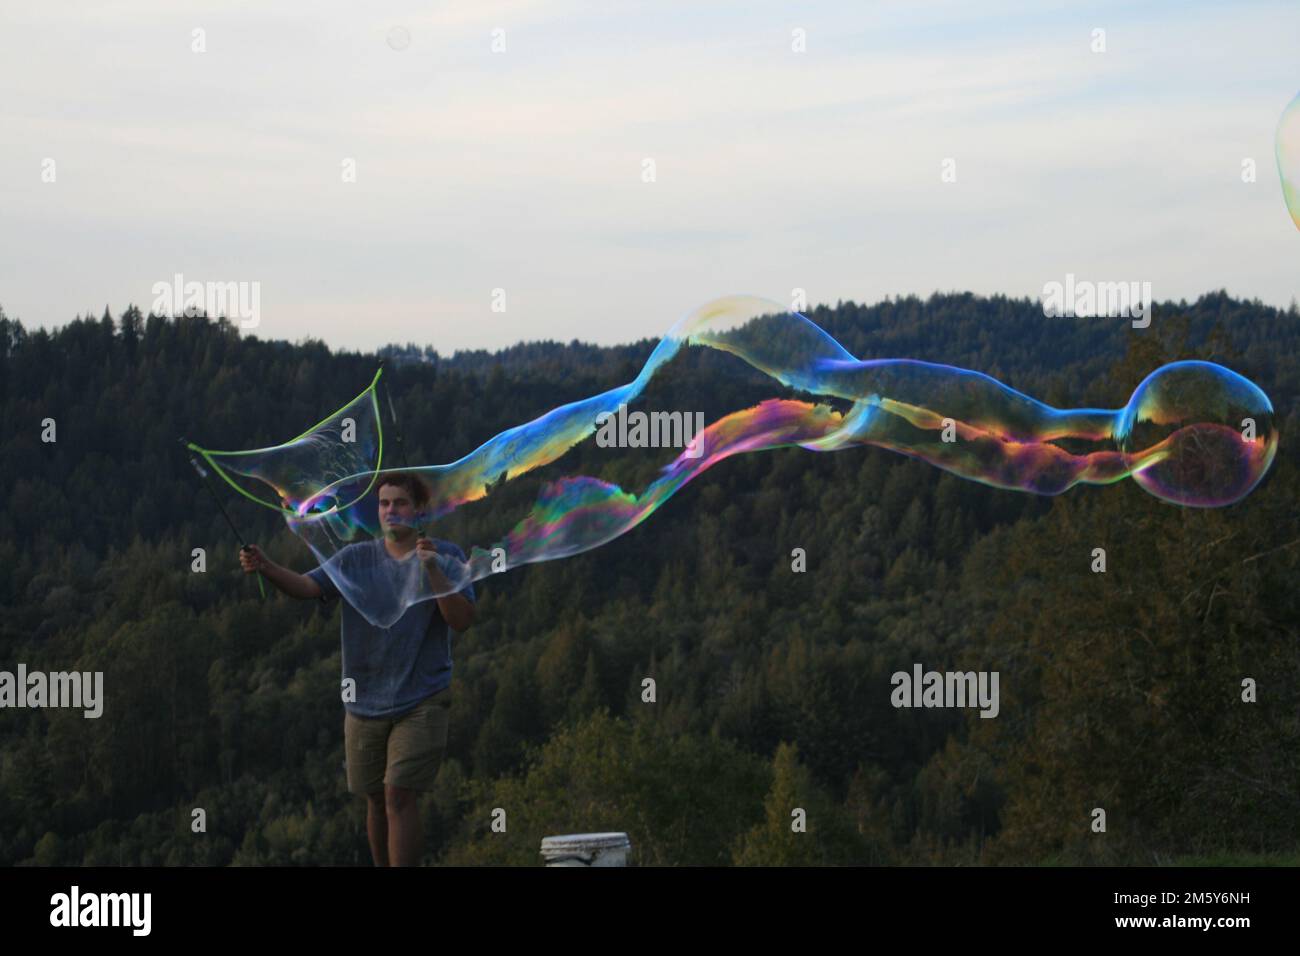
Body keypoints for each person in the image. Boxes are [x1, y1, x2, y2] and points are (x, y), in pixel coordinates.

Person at [238, 472, 476, 866]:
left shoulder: (445, 555)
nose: (390, 511)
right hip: (364, 702)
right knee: (374, 798)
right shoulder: (356, 559)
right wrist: (265, 566)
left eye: (399, 503)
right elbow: (306, 586)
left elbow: (462, 620)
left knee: (398, 793)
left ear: (418, 511)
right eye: (384, 504)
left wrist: (432, 570)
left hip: (423, 698)